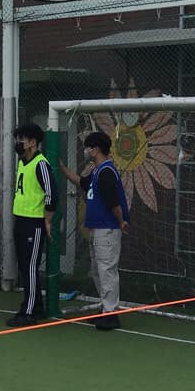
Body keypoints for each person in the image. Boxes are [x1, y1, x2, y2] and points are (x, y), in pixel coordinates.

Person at [58, 131, 131, 331]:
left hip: (107, 228)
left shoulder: (106, 171)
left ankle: (111, 313)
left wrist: (121, 222)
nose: (86, 150)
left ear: (96, 149)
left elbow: (113, 201)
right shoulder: (97, 171)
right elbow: (81, 182)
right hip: (97, 228)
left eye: (88, 147)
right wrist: (63, 169)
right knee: (98, 271)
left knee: (107, 270)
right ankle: (105, 307)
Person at [7, 122, 55, 327]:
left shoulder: (41, 164)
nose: (18, 143)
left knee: (30, 266)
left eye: (22, 139)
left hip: (34, 223)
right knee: (24, 266)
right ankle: (37, 307)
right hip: (20, 219)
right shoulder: (22, 162)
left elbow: (51, 194)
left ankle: (28, 312)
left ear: (33, 142)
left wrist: (47, 220)